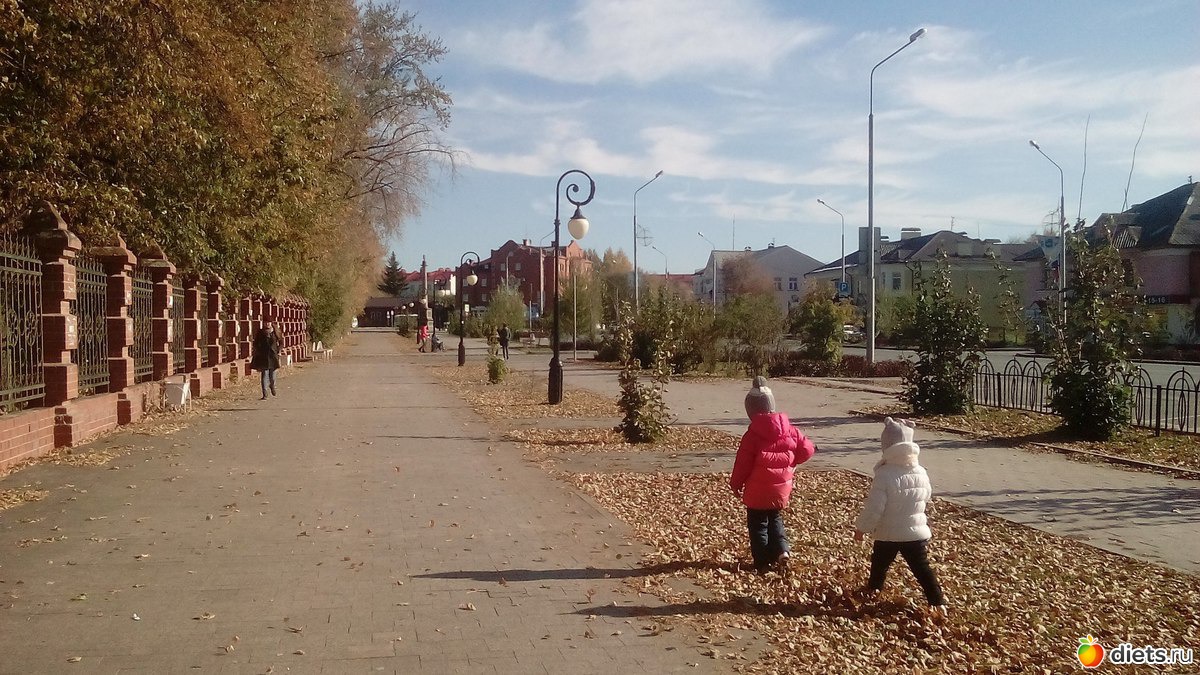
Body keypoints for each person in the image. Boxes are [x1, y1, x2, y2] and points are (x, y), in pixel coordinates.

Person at [854, 417, 948, 616]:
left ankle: (874, 587)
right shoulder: (920, 471)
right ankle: (936, 600)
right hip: (915, 531)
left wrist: (862, 528)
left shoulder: (884, 474)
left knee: (880, 562)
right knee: (921, 567)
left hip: (888, 532)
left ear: (886, 446)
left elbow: (875, 507)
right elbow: (926, 496)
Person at [729, 376, 816, 574]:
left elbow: (742, 464)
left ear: (751, 411)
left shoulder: (752, 435)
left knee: (758, 525)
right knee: (775, 519)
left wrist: (736, 484)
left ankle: (762, 561)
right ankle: (782, 551)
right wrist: (792, 462)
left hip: (757, 491)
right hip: (780, 489)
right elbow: (807, 449)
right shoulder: (790, 430)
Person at [250, 322, 281, 400]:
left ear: (271, 323)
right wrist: (258, 350)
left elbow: (281, 342)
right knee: (264, 374)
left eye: (268, 322)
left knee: (272, 376)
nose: (267, 324)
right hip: (264, 356)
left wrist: (278, 350)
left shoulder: (275, 332)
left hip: (273, 356)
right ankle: (265, 394)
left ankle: (272, 385)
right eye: (265, 323)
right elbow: (255, 343)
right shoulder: (260, 333)